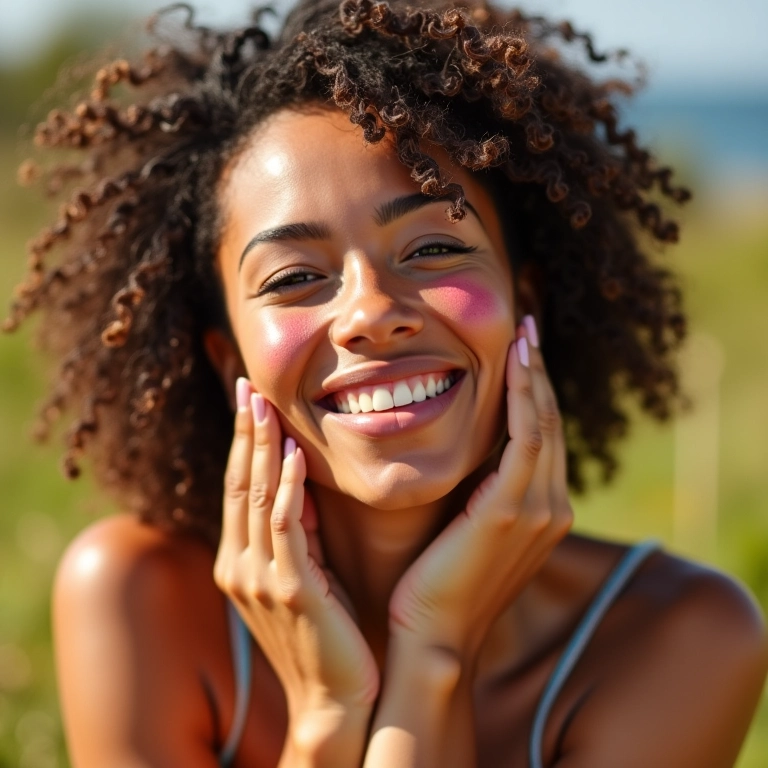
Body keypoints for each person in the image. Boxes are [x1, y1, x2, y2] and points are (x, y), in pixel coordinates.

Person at [5, 0, 767, 765]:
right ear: (229, 360)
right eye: (296, 276)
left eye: (434, 248)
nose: (370, 313)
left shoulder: (681, 637)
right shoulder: (141, 601)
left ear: (523, 305)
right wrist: (327, 718)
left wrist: (435, 655)